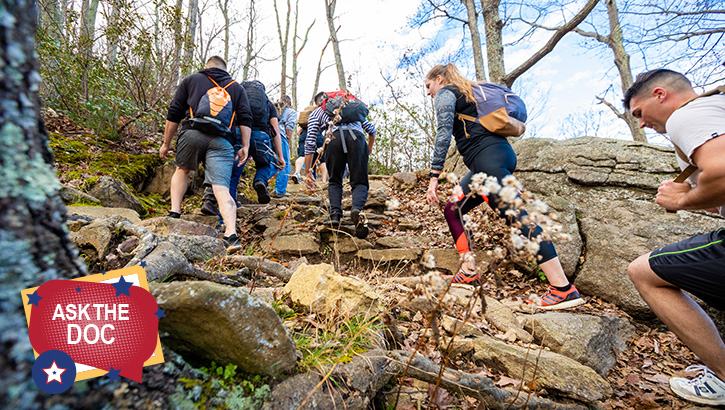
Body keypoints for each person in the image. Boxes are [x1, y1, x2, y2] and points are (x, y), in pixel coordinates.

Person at [424, 63, 583, 310]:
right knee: (453, 209)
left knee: (519, 219)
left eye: (428, 85)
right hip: (488, 162)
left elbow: (443, 134)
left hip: (488, 163)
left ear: (440, 79)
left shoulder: (447, 93)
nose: (428, 92)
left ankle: (563, 288)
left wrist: (434, 176)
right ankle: (468, 272)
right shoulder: (469, 92)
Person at [624, 69, 725, 406]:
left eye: (639, 113)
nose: (640, 124)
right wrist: (699, 193)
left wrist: (682, 199)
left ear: (660, 95)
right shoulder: (716, 108)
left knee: (643, 272)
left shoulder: (686, 116)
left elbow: (722, 170)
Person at [159, 55, 251, 246]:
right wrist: (245, 146)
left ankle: (175, 213)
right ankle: (231, 235)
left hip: (192, 133)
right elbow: (245, 119)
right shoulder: (236, 87)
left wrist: (166, 143)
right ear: (226, 70)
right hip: (223, 140)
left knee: (182, 169)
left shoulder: (192, 80)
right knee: (221, 188)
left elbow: (174, 112)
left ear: (206, 67)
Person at [304, 91, 376, 239]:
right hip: (357, 139)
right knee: (359, 181)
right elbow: (372, 130)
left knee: (335, 180)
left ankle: (335, 214)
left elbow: (310, 142)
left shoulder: (319, 112)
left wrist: (308, 172)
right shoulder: (350, 108)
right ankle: (357, 210)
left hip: (333, 139)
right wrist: (368, 148)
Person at [243, 81, 285, 204]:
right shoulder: (268, 104)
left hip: (240, 133)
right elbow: (275, 131)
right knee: (265, 165)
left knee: (235, 168)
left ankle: (230, 199)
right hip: (261, 137)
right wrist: (280, 156)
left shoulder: (240, 99)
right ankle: (260, 181)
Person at [292, 93, 327, 184]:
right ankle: (323, 181)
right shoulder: (323, 111)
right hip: (318, 135)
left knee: (303, 155)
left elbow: (299, 129)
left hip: (304, 133)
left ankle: (297, 172)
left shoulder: (308, 111)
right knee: (322, 160)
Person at [271, 95, 297, 197]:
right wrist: (288, 142)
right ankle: (280, 190)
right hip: (281, 136)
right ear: (290, 103)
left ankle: (262, 181)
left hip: (270, 135)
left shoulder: (273, 109)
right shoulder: (291, 112)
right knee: (285, 163)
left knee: (273, 162)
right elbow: (289, 128)